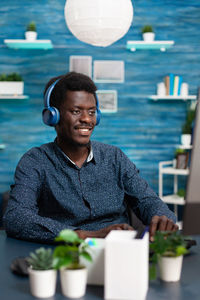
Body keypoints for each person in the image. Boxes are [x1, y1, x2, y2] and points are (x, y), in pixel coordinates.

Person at [3, 72, 178, 243]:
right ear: (52, 116)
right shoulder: (35, 161)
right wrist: (86, 235)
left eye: (92, 112)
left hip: (120, 252)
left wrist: (162, 219)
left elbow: (147, 200)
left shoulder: (114, 157)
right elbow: (16, 218)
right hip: (66, 256)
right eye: (76, 111)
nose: (87, 119)